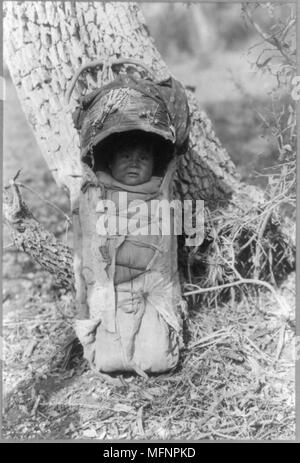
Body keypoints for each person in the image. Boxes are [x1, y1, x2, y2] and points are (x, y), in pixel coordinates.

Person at [70, 67, 190, 375]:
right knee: (108, 353)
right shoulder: (93, 196)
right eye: (125, 155)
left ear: (156, 162)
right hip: (109, 298)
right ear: (108, 160)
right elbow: (82, 259)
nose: (134, 161)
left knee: (158, 358)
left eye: (143, 156)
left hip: (152, 293)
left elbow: (170, 266)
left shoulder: (164, 196)